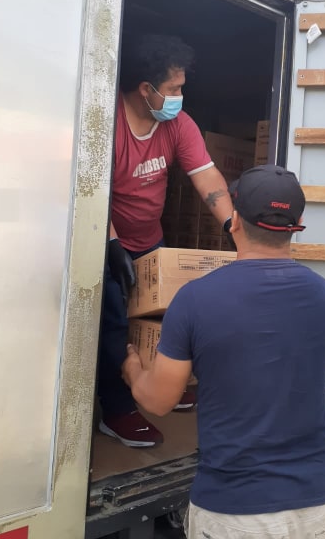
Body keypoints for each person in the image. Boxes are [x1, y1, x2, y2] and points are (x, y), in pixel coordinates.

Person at [122, 164, 325, 538]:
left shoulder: (195, 300)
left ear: (235, 220)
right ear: (298, 223)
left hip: (233, 509)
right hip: (314, 507)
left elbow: (159, 400)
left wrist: (132, 370)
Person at [98, 34, 233, 448]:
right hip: (105, 240)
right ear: (146, 89)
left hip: (150, 241)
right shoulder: (107, 123)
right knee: (114, 323)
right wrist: (112, 245)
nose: (179, 97)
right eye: (173, 89)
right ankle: (118, 409)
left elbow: (206, 176)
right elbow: (90, 192)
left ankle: (159, 387)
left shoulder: (178, 124)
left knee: (162, 319)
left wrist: (234, 227)